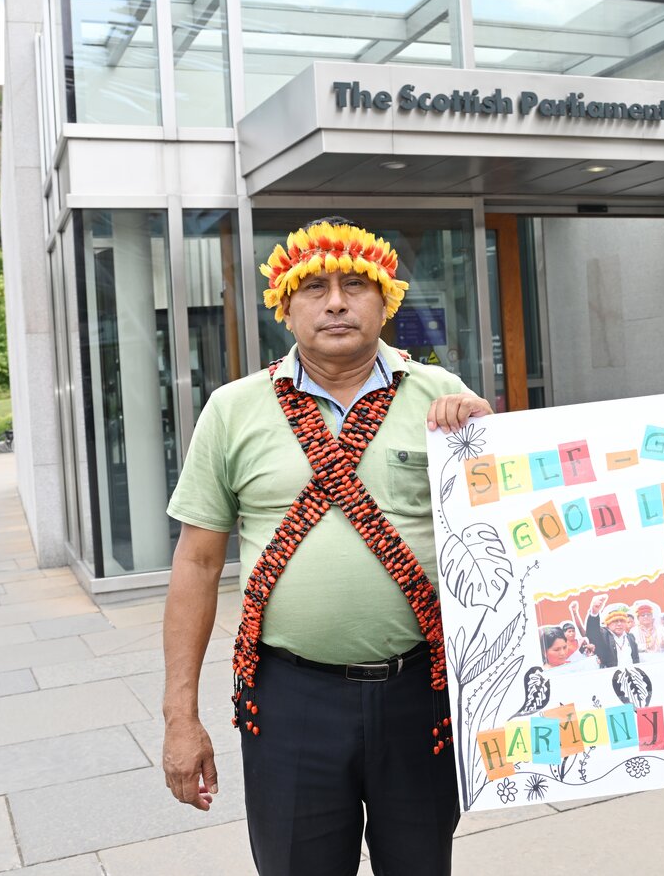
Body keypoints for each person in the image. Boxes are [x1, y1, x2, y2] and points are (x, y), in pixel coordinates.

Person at [160, 217, 493, 876]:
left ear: (386, 299)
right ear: (284, 305)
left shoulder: (443, 397)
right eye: (314, 287)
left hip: (421, 695)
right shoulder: (233, 409)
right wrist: (180, 716)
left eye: (354, 285)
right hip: (289, 699)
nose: (336, 301)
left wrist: (490, 443)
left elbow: (518, 528)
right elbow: (196, 563)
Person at [583, 594, 641, 668]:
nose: (619, 624)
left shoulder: (631, 637)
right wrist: (594, 613)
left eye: (622, 621)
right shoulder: (604, 636)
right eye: (615, 621)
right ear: (608, 624)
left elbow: (636, 659)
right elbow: (593, 632)